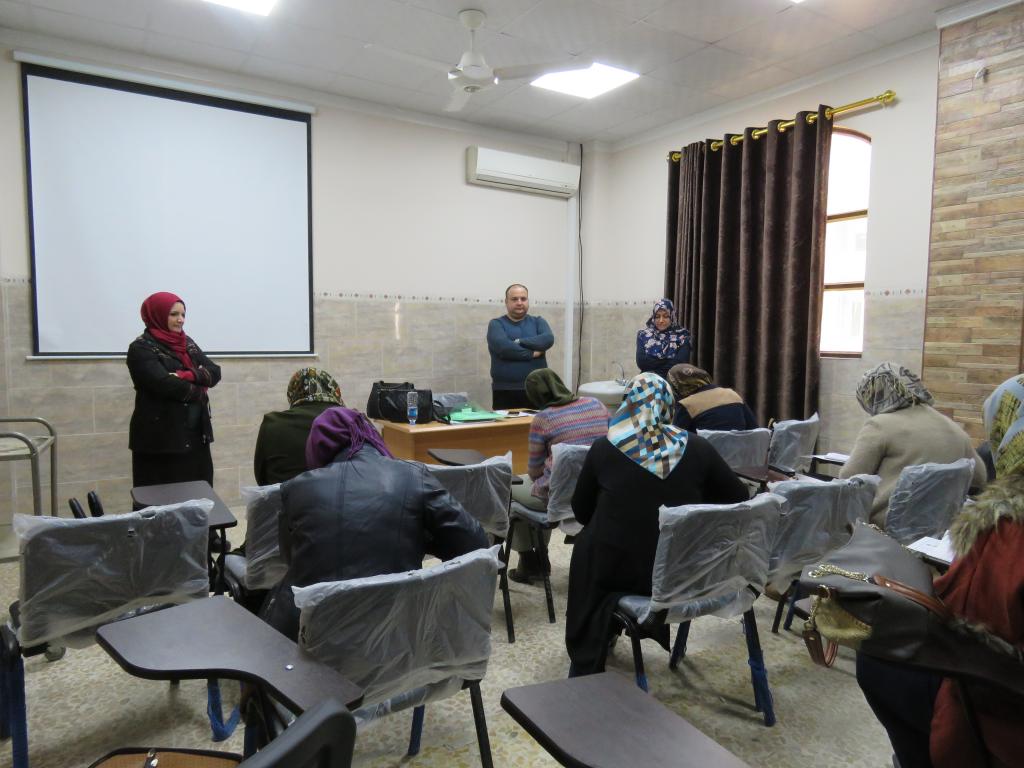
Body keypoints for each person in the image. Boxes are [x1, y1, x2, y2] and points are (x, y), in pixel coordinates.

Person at [856, 373, 1024, 768]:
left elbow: (849, 485)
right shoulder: (950, 425)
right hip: (936, 531)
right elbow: (978, 479)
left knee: (876, 660)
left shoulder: (1007, 532)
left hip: (999, 712)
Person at [565, 373, 748, 676]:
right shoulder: (698, 448)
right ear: (669, 406)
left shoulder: (604, 448)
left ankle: (594, 637)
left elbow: (581, 512)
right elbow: (738, 498)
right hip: (683, 570)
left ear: (627, 405)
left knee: (588, 545)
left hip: (618, 571)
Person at [260, 407, 488, 640]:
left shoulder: (297, 489)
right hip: (401, 637)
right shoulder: (412, 475)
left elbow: (289, 560)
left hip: (312, 643)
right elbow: (476, 543)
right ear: (369, 435)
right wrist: (422, 538)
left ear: (316, 448)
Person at [839, 362, 986, 527]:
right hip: (942, 530)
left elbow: (848, 480)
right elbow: (980, 478)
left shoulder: (879, 425)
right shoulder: (951, 426)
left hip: (885, 529)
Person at [508, 368, 610, 584]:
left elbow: (535, 472)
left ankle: (532, 561)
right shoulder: (597, 405)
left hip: (560, 497)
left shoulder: (543, 419)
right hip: (598, 493)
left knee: (508, 489)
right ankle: (538, 557)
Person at [127, 291, 221, 487]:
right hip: (161, 441)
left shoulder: (187, 343)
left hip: (196, 437)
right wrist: (200, 388)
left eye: (183, 314)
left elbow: (215, 372)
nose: (181, 320)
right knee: (162, 499)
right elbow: (165, 384)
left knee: (199, 495)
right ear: (157, 315)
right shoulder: (140, 348)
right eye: (174, 314)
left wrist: (185, 375)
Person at [253, 367, 344, 486]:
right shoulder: (352, 421)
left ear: (293, 392)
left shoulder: (273, 423)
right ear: (334, 389)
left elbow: (262, 478)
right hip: (344, 496)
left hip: (285, 497)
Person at [487, 284, 554, 409]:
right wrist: (531, 353)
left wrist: (518, 341)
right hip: (506, 391)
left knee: (538, 422)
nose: (519, 302)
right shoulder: (496, 324)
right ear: (506, 302)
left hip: (538, 389)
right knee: (506, 423)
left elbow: (547, 340)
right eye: (514, 299)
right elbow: (504, 348)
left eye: (523, 299)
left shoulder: (538, 321)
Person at [667, 363, 758, 432]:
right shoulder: (732, 394)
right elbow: (754, 429)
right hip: (739, 451)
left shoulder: (686, 405)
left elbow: (676, 441)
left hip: (705, 452)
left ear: (676, 385)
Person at [635, 299, 690, 379]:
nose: (661, 320)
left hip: (673, 381)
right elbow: (642, 362)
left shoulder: (682, 336)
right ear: (653, 317)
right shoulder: (643, 335)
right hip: (647, 380)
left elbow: (680, 363)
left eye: (666, 316)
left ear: (672, 316)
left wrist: (655, 365)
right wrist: (668, 360)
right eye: (657, 316)